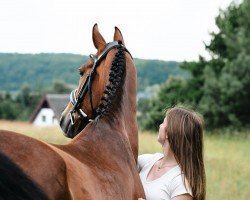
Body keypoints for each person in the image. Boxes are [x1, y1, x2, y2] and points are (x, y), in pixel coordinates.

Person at [138, 106, 206, 200]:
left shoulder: (181, 184)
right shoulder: (147, 161)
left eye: (163, 123)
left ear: (168, 133)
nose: (160, 125)